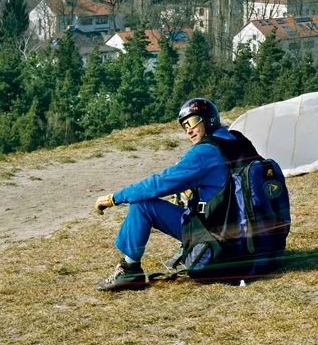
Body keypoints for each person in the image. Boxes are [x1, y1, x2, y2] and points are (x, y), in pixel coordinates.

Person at [93, 96, 250, 291]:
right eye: (185, 127)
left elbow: (157, 184)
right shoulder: (238, 141)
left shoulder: (203, 153)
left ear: (208, 119)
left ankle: (130, 269)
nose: (189, 131)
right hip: (253, 245)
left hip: (221, 247)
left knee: (142, 205)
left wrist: (114, 198)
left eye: (192, 122)